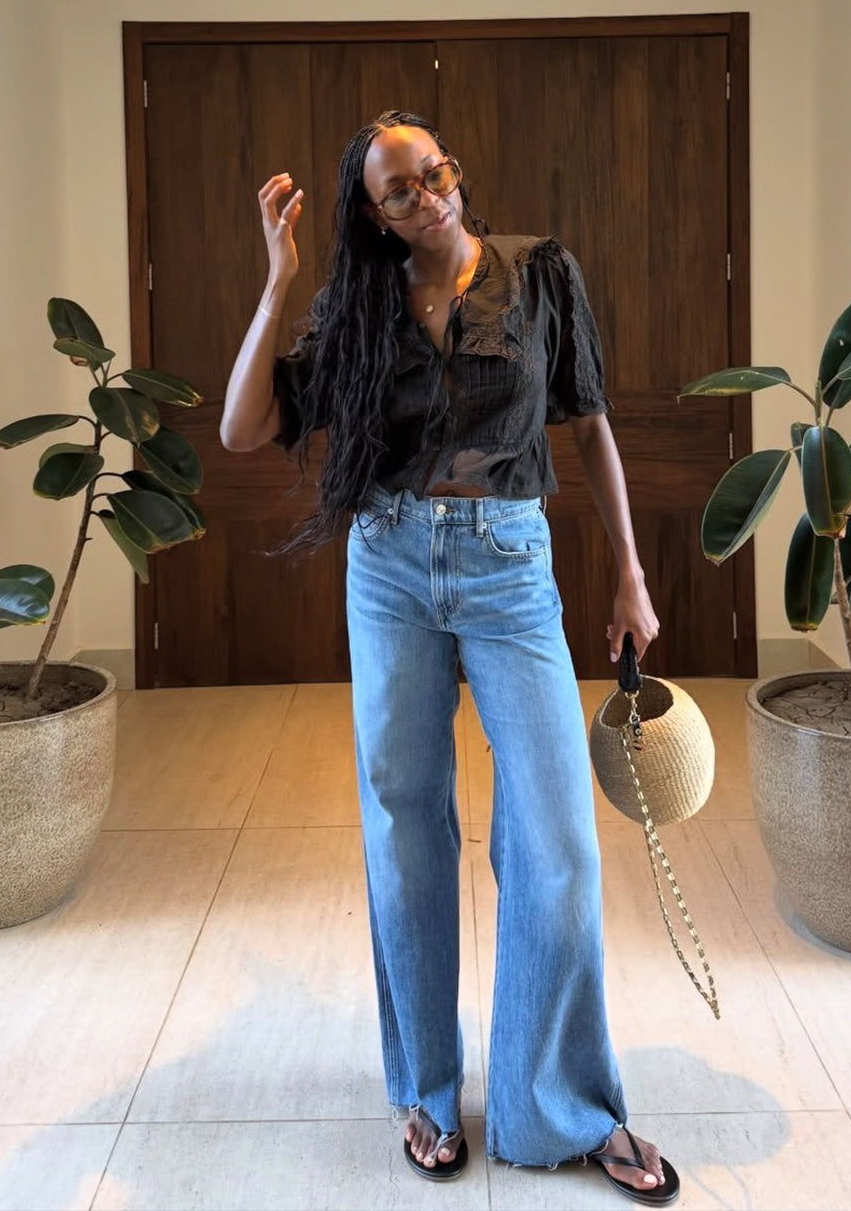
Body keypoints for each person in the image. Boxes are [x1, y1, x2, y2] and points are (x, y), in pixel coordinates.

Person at [220, 109, 679, 1205]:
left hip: (509, 565)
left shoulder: (538, 272)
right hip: (388, 568)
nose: (430, 194)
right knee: (405, 823)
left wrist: (629, 572)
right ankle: (426, 1087)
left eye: (436, 172)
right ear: (373, 215)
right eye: (401, 189)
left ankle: (560, 1107)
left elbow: (590, 423)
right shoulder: (357, 307)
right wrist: (276, 283)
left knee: (555, 833)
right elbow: (241, 428)